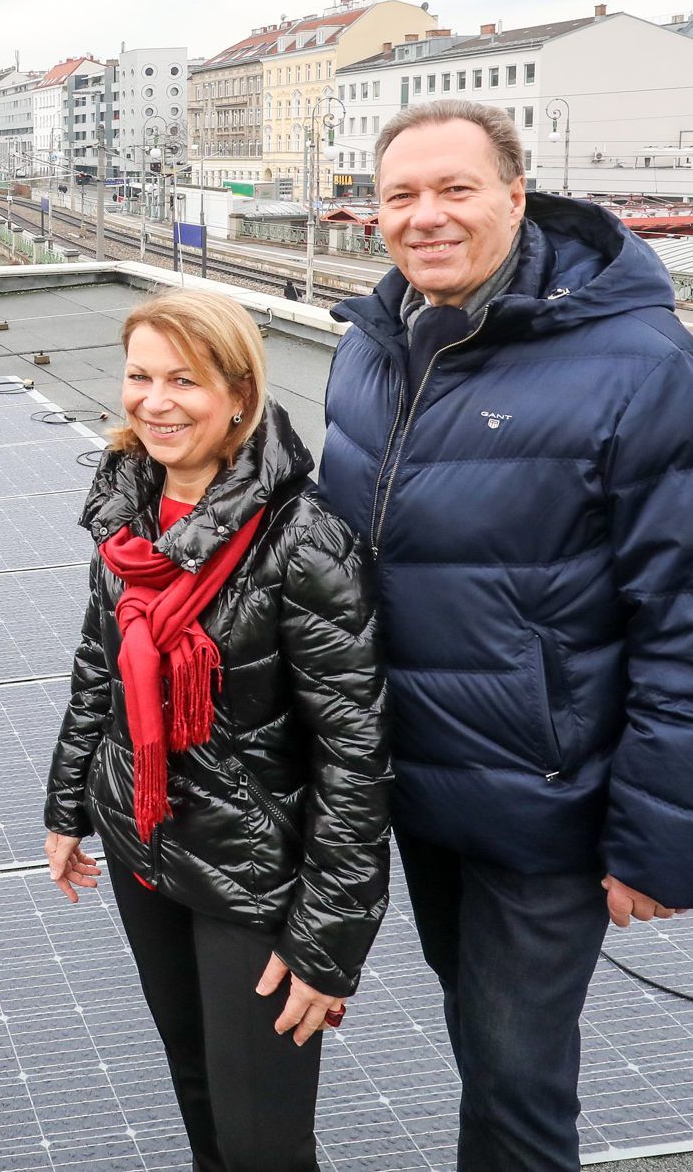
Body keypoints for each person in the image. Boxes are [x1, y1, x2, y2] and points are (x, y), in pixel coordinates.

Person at [321, 100, 693, 1171]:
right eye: (399, 195)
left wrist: (652, 838)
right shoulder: (374, 347)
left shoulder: (637, 365)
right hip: (415, 787)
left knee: (519, 1087)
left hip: (544, 805)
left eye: (453, 189)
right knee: (479, 1055)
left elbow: (677, 617)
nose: (423, 216)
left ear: (517, 197)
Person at [43, 290, 390, 1172]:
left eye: (184, 381)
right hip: (145, 838)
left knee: (263, 1140)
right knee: (196, 1089)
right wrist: (68, 807)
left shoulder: (303, 542)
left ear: (239, 394)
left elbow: (355, 757)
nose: (155, 401)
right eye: (140, 376)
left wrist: (326, 946)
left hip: (256, 875)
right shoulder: (126, 513)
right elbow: (98, 668)